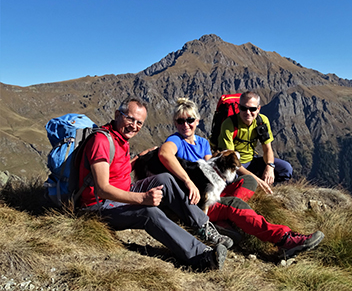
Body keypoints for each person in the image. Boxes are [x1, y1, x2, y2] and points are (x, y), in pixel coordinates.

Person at [78, 97, 232, 271]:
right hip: (98, 205)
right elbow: (103, 189)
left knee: (165, 179)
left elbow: (116, 172)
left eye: (139, 123)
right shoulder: (102, 141)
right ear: (117, 115)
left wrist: (137, 159)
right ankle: (202, 257)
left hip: (121, 192)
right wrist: (142, 198)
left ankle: (204, 227)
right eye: (129, 118)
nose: (133, 125)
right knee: (148, 211)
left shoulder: (119, 138)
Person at [158, 98, 324, 258]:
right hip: (195, 202)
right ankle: (284, 239)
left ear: (197, 121)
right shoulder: (176, 140)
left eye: (190, 120)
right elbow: (164, 153)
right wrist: (187, 180)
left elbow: (211, 170)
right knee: (235, 205)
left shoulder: (202, 142)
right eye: (180, 121)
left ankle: (224, 220)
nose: (185, 125)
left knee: (249, 180)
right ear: (175, 123)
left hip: (210, 193)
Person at [218, 91, 293, 195]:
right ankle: (252, 188)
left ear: (258, 109)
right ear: (239, 107)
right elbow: (231, 160)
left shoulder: (262, 121)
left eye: (252, 109)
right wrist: (255, 179)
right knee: (229, 179)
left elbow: (267, 149)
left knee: (286, 169)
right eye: (243, 108)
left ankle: (259, 188)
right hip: (234, 165)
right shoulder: (229, 124)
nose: (248, 112)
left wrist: (270, 167)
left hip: (251, 161)